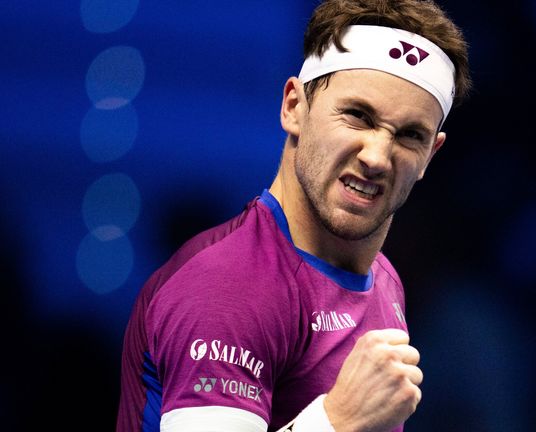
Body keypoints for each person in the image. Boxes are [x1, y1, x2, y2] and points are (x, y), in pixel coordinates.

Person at [116, 0, 471, 430]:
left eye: (410, 135)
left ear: (431, 154)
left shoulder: (385, 280)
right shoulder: (226, 286)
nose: (377, 157)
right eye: (358, 116)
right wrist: (336, 422)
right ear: (294, 108)